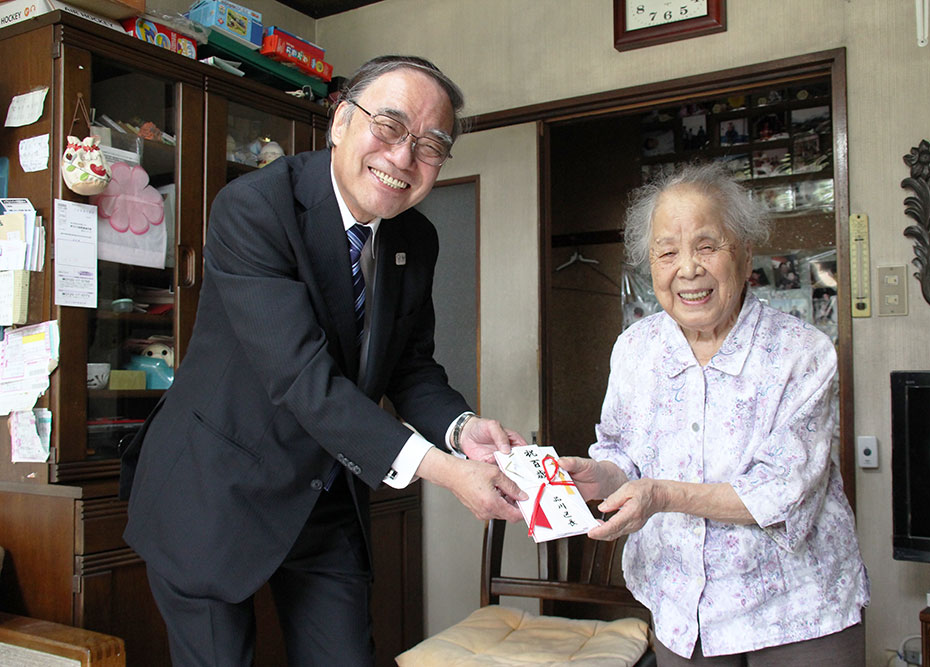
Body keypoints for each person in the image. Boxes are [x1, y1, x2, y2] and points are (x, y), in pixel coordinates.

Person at [119, 55, 528, 666]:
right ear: (339, 122)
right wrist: (444, 472)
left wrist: (462, 430)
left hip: (322, 494)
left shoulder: (416, 239)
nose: (401, 158)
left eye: (430, 146)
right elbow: (303, 380)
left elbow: (410, 368)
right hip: (213, 490)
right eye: (388, 128)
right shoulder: (255, 208)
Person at [559, 162, 869, 665]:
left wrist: (661, 494)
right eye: (666, 252)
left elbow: (781, 492)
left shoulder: (801, 353)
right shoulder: (635, 350)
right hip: (683, 608)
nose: (688, 269)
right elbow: (623, 457)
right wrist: (594, 475)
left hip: (798, 609)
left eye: (707, 246)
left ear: (746, 254)